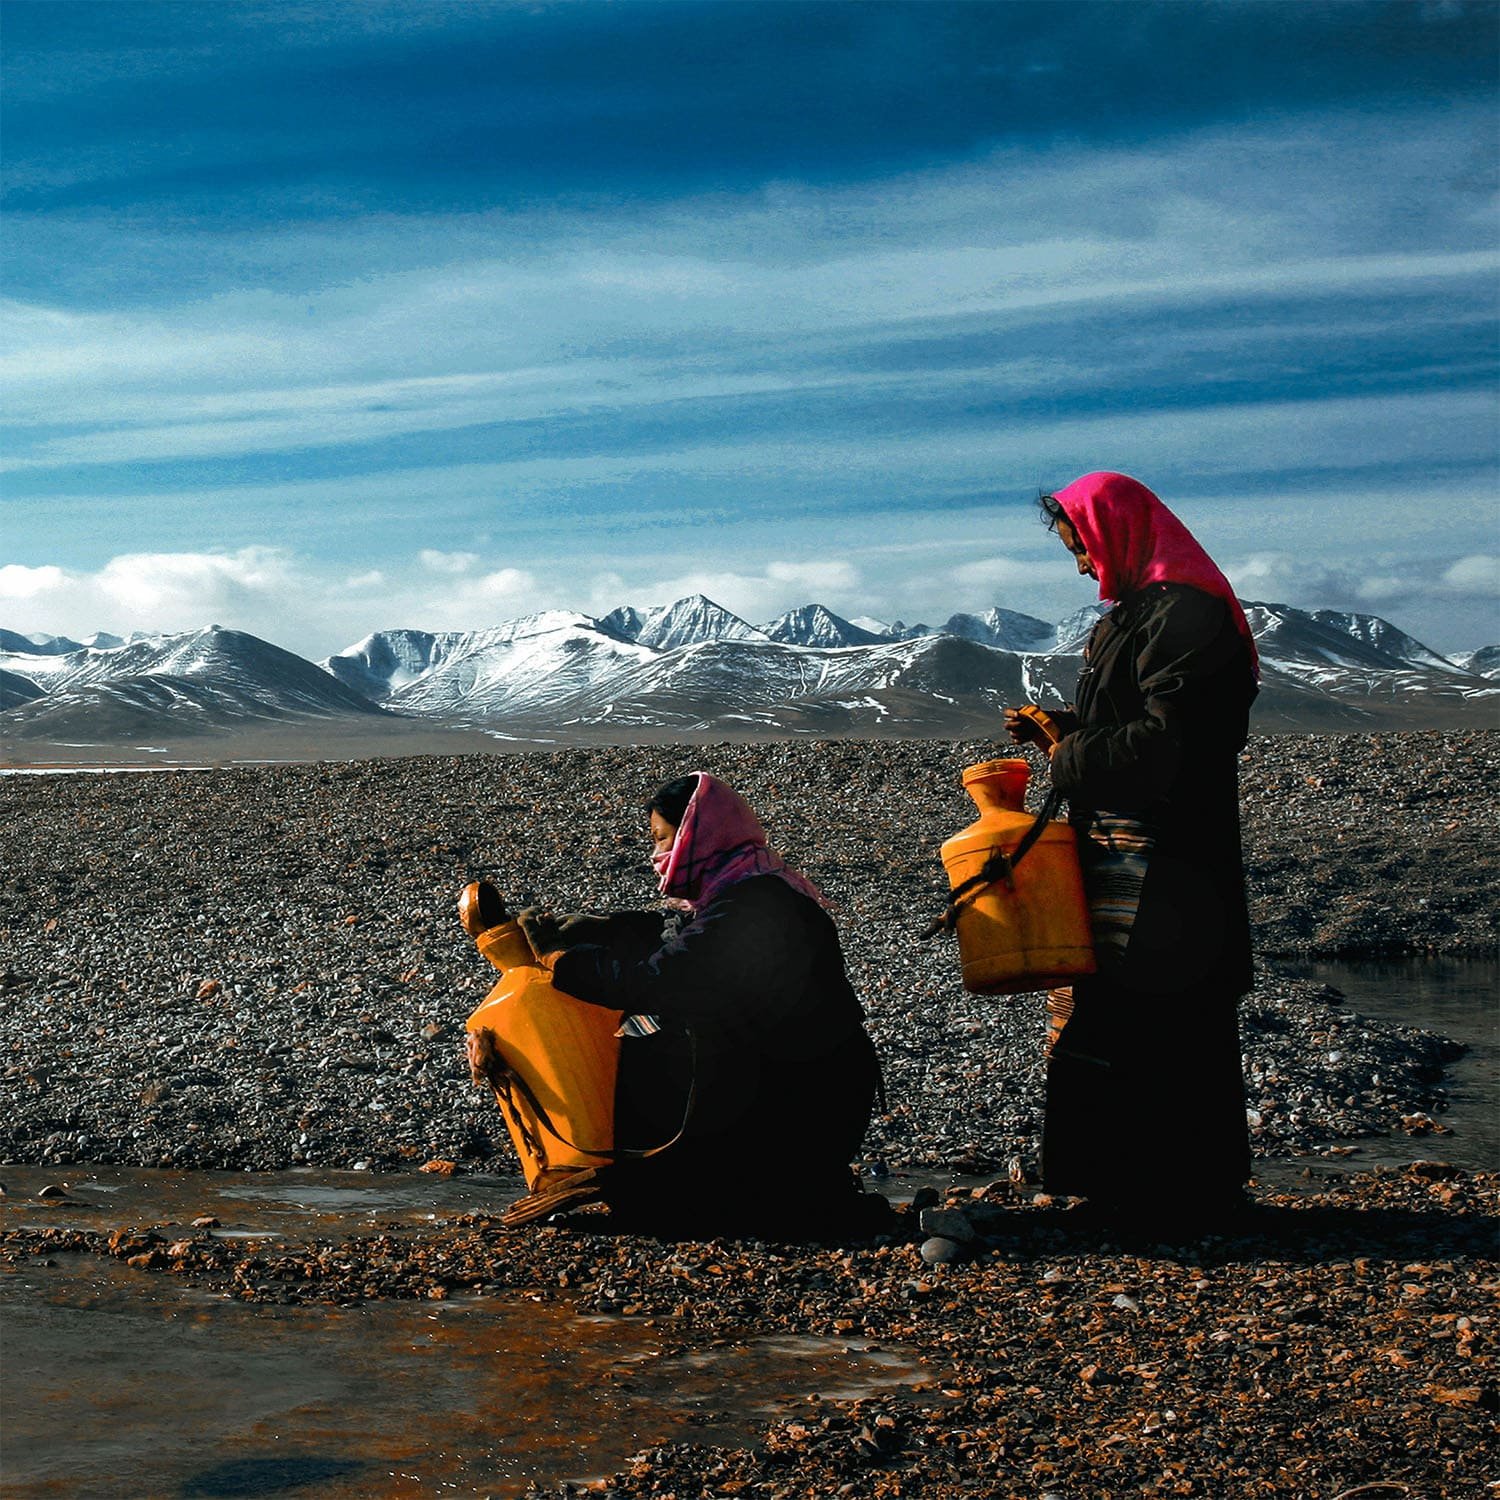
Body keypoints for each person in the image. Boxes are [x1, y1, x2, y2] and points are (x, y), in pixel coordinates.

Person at [1004, 471, 1259, 1234]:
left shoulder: (1188, 616)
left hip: (1170, 860)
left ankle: (1179, 1197)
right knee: (1118, 1009)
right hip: (1125, 849)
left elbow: (1174, 740)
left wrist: (1068, 750)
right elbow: (1131, 722)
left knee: (1167, 1013)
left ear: (1117, 532)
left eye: (1082, 546)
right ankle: (1124, 1189)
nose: (1083, 565)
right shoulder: (1138, 616)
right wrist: (1066, 729)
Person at [519, 771, 886, 1238]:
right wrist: (605, 928)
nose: (656, 854)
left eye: (663, 838)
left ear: (697, 834)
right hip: (810, 1092)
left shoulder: (752, 907)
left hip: (802, 1105)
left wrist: (561, 959)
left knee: (668, 1200)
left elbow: (661, 977)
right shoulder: (755, 888)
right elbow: (680, 940)